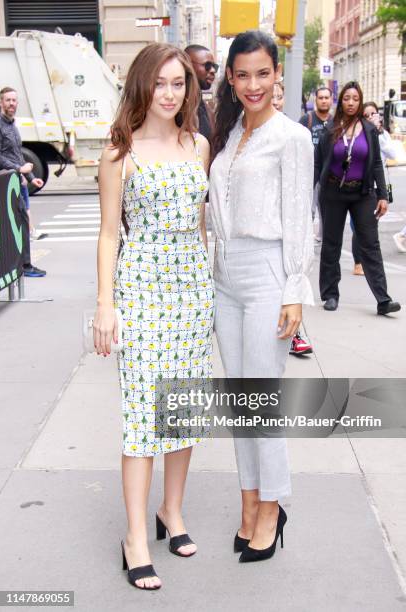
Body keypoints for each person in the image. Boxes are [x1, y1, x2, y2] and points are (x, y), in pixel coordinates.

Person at [94, 43, 213, 590]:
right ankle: (135, 537)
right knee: (144, 415)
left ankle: (173, 512)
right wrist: (104, 305)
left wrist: (207, 285)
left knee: (182, 408)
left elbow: (202, 224)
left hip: (191, 288)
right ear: (143, 85)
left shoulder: (199, 145)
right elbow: (109, 234)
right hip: (141, 288)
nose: (171, 93)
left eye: (179, 83)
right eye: (161, 83)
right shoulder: (120, 153)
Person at [210, 30, 314, 563]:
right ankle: (249, 500)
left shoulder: (291, 137)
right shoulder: (228, 136)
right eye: (242, 74)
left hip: (269, 275)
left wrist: (293, 292)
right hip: (224, 277)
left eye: (263, 73)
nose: (253, 84)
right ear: (230, 78)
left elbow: (301, 219)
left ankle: (271, 508)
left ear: (277, 76)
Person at [315, 81, 401, 315]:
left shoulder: (369, 129)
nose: (351, 102)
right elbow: (318, 162)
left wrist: (382, 195)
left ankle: (383, 299)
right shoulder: (331, 129)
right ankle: (330, 294)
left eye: (355, 98)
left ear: (360, 101)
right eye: (346, 98)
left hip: (362, 193)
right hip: (333, 192)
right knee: (331, 244)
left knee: (370, 244)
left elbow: (375, 164)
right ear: (340, 101)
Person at [271, 81, 314, 357]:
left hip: (285, 235)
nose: (274, 100)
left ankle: (297, 333)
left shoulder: (293, 134)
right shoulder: (237, 131)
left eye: (278, 96)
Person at [0, 87, 45, 277]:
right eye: (8, 100)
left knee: (23, 223)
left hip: (19, 181)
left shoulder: (12, 125)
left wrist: (33, 178)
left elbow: (17, 155)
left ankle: (24, 265)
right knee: (14, 225)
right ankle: (22, 266)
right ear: (0, 102)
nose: (11, 104)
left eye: (14, 100)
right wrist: (18, 170)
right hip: (7, 182)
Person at [351, 101, 397, 274]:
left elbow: (392, 154)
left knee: (371, 225)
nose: (371, 117)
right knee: (358, 225)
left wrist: (380, 134)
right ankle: (358, 262)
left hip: (379, 187)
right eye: (367, 115)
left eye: (373, 114)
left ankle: (368, 261)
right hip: (362, 185)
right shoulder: (359, 133)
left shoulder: (382, 134)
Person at [299, 87, 333, 242]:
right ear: (315, 100)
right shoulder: (307, 119)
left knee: (328, 210)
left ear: (331, 100)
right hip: (309, 171)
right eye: (321, 97)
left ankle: (327, 240)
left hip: (330, 173)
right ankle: (303, 241)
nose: (324, 100)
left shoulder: (335, 121)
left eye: (327, 97)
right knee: (308, 209)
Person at [184, 44, 218, 141]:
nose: (212, 70)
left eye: (214, 66)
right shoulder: (175, 107)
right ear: (188, 65)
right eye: (207, 65)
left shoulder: (206, 109)